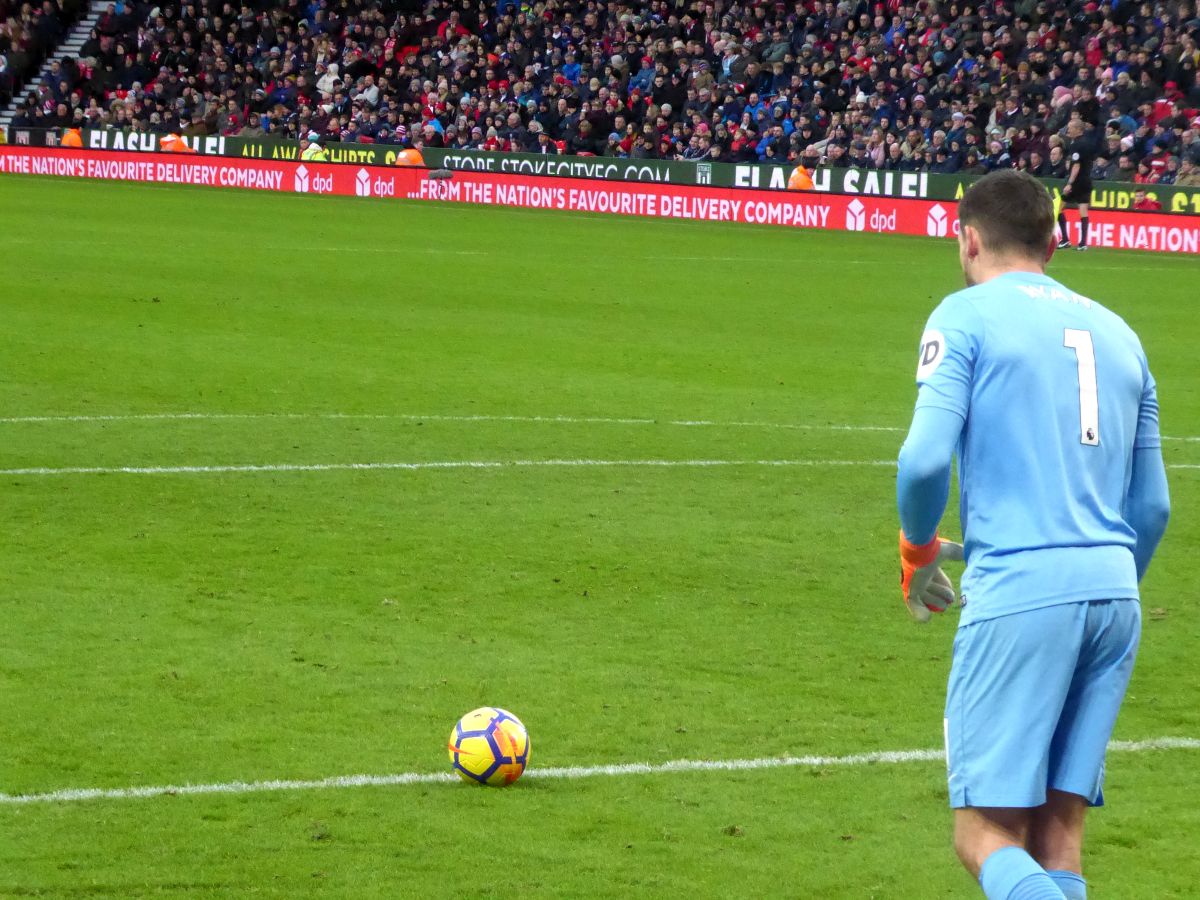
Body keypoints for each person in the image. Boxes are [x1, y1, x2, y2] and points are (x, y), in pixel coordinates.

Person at [896, 170, 1170, 900]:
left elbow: (923, 460)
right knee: (1058, 837)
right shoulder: (1120, 333)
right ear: (1054, 242)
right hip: (1115, 595)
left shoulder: (964, 315)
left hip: (1022, 589)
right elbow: (1154, 510)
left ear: (968, 240)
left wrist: (917, 548)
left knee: (984, 834)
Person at [1056, 121, 1094, 250]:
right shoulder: (1088, 143)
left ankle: (1065, 239)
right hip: (1086, 180)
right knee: (1083, 211)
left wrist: (1070, 183)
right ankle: (1083, 243)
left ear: (1078, 129)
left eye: (1070, 128)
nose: (1068, 130)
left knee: (1058, 208)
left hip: (1076, 182)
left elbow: (1076, 165)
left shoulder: (1076, 145)